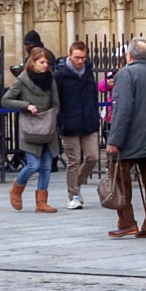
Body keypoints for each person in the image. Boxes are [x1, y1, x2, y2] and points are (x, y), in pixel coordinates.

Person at [102, 37, 146, 239]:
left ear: (128, 55)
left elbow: (122, 109)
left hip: (129, 139)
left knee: (119, 180)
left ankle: (127, 222)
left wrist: (114, 140)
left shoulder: (125, 74)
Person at [0, 46, 61, 214]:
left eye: (46, 62)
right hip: (31, 128)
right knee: (33, 165)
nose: (44, 65)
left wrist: (52, 114)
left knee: (47, 166)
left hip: (47, 127)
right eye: (41, 62)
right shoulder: (22, 80)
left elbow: (56, 102)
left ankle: (41, 203)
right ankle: (16, 189)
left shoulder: (50, 79)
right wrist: (26, 105)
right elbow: (6, 100)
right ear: (33, 62)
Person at [52, 40, 101, 210]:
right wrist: (60, 121)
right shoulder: (60, 74)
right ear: (70, 55)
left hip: (88, 121)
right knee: (73, 160)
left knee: (92, 157)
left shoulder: (88, 71)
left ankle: (77, 182)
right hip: (69, 123)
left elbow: (93, 95)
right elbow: (55, 99)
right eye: (77, 57)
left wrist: (94, 115)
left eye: (83, 58)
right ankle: (73, 194)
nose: (80, 61)